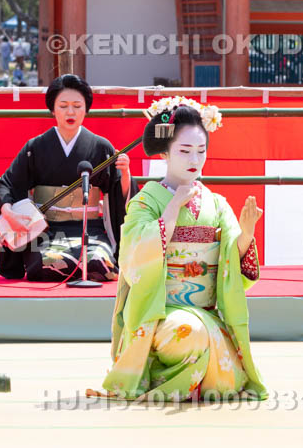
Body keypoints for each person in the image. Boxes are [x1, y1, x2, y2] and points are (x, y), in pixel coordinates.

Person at [91, 97, 267, 402]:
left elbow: (232, 260)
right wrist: (172, 207)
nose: (194, 159)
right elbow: (134, 257)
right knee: (189, 333)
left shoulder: (216, 203)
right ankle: (154, 372)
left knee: (211, 355)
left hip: (205, 311)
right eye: (185, 151)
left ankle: (185, 380)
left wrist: (247, 235)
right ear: (165, 153)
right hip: (161, 312)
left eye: (201, 151)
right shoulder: (146, 201)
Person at [0, 74, 137, 281]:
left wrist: (126, 173)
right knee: (46, 263)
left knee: (99, 262)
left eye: (77, 106)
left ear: (86, 109)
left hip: (90, 230)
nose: (71, 112)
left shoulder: (101, 147)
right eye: (63, 106)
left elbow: (118, 193)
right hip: (48, 230)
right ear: (52, 109)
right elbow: (7, 185)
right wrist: (8, 214)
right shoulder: (35, 147)